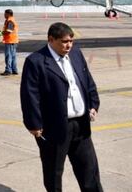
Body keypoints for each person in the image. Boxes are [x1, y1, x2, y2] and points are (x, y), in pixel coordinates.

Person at [20, 22, 102, 192]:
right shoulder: (36, 61)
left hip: (81, 125)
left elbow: (87, 81)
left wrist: (93, 104)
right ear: (51, 40)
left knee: (89, 170)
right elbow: (30, 95)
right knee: (54, 173)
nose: (69, 45)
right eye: (64, 42)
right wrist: (34, 124)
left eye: (71, 41)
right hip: (53, 127)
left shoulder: (76, 54)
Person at [1, 9, 19, 75]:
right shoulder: (11, 20)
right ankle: (14, 69)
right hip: (13, 40)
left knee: (8, 56)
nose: (4, 15)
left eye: (5, 14)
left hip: (10, 41)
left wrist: (2, 33)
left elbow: (9, 31)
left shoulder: (10, 21)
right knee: (13, 56)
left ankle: (8, 70)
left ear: (8, 14)